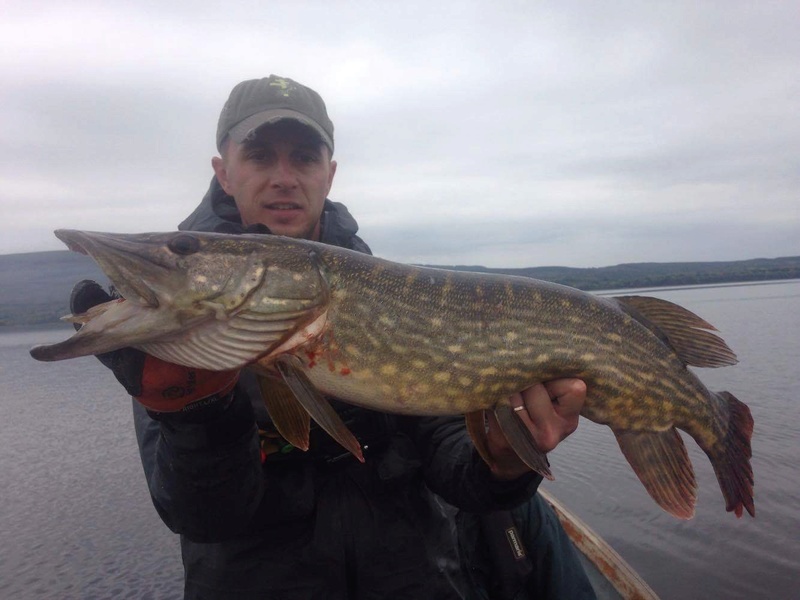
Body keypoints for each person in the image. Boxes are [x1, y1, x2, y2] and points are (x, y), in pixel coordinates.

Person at [72, 75, 596, 599]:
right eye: (259, 156)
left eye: (303, 157)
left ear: (329, 174)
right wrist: (196, 418)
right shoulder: (182, 325)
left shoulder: (389, 292)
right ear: (223, 173)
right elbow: (201, 516)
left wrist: (501, 461)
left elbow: (449, 458)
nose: (284, 177)